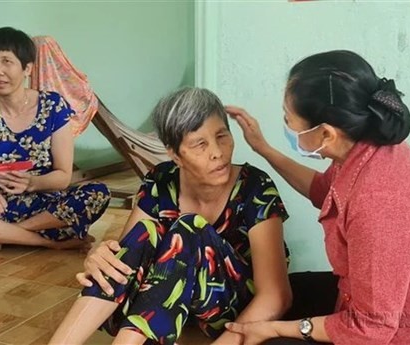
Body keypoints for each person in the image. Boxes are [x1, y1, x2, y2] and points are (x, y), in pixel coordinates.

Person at [49, 87, 292, 345]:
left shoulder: (254, 186)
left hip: (230, 310)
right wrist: (102, 259)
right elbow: (130, 257)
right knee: (140, 239)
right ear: (175, 154)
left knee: (189, 229)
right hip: (169, 307)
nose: (217, 152)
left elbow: (276, 295)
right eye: (200, 144)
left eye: (222, 136)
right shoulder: (161, 180)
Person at [224, 50, 410, 345]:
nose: (287, 126)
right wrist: (263, 149)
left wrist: (277, 329)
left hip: (393, 332)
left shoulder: (380, 201)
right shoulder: (363, 146)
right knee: (277, 291)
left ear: (326, 134)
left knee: (271, 339)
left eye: (288, 119)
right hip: (364, 299)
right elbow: (323, 190)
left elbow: (371, 329)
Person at [0, 27, 111, 262]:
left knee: (97, 193)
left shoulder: (52, 106)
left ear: (27, 68)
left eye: (6, 61)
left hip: (42, 206)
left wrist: (32, 182)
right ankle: (48, 242)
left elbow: (63, 176)